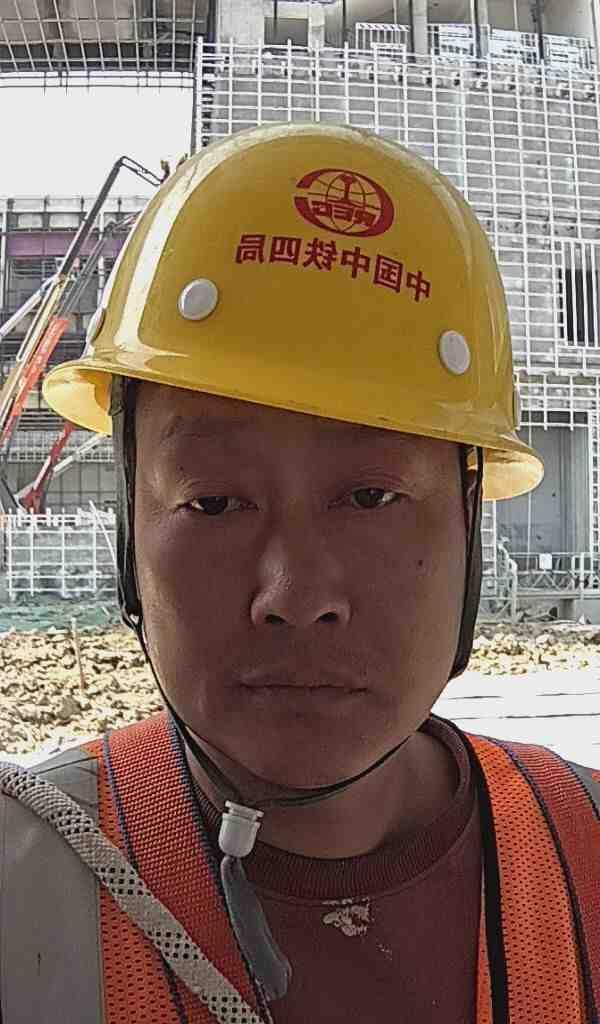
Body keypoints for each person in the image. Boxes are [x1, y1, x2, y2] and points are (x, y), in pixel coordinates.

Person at [2, 123, 599, 1024]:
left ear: (469, 519)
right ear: (131, 534)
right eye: (213, 502)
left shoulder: (583, 847)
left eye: (371, 497)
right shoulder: (24, 879)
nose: (297, 596)